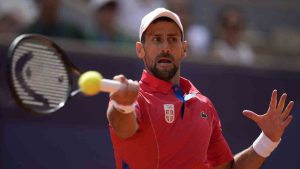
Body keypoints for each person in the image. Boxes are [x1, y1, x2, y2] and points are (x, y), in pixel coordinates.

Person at [106, 8, 294, 169]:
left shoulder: (203, 105)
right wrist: (123, 106)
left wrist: (268, 140)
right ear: (140, 49)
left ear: (184, 48)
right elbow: (124, 128)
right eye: (156, 39)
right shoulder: (133, 99)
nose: (165, 47)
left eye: (172, 39)